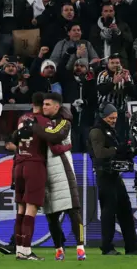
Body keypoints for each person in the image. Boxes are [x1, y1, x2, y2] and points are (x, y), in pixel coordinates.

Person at [6, 92, 71, 260]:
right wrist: (68, 146)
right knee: (31, 209)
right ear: (43, 105)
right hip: (34, 165)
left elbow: (12, 139)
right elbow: (54, 143)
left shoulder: (22, 118)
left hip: (18, 164)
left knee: (20, 209)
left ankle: (19, 249)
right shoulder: (44, 121)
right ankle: (26, 250)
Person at [88, 103, 137, 256]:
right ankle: (107, 247)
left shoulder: (111, 131)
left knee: (125, 211)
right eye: (110, 118)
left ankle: (132, 246)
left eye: (115, 118)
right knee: (108, 212)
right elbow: (99, 153)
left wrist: (133, 152)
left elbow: (119, 153)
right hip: (104, 175)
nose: (113, 120)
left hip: (115, 175)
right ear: (103, 116)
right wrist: (118, 149)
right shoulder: (96, 131)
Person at [41, 99, 86, 261]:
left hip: (63, 170)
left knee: (73, 210)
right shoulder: (43, 122)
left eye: (47, 104)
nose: (44, 107)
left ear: (56, 106)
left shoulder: (64, 122)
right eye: (43, 104)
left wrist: (42, 132)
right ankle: (59, 248)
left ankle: (80, 247)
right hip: (46, 171)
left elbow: (55, 138)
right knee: (51, 214)